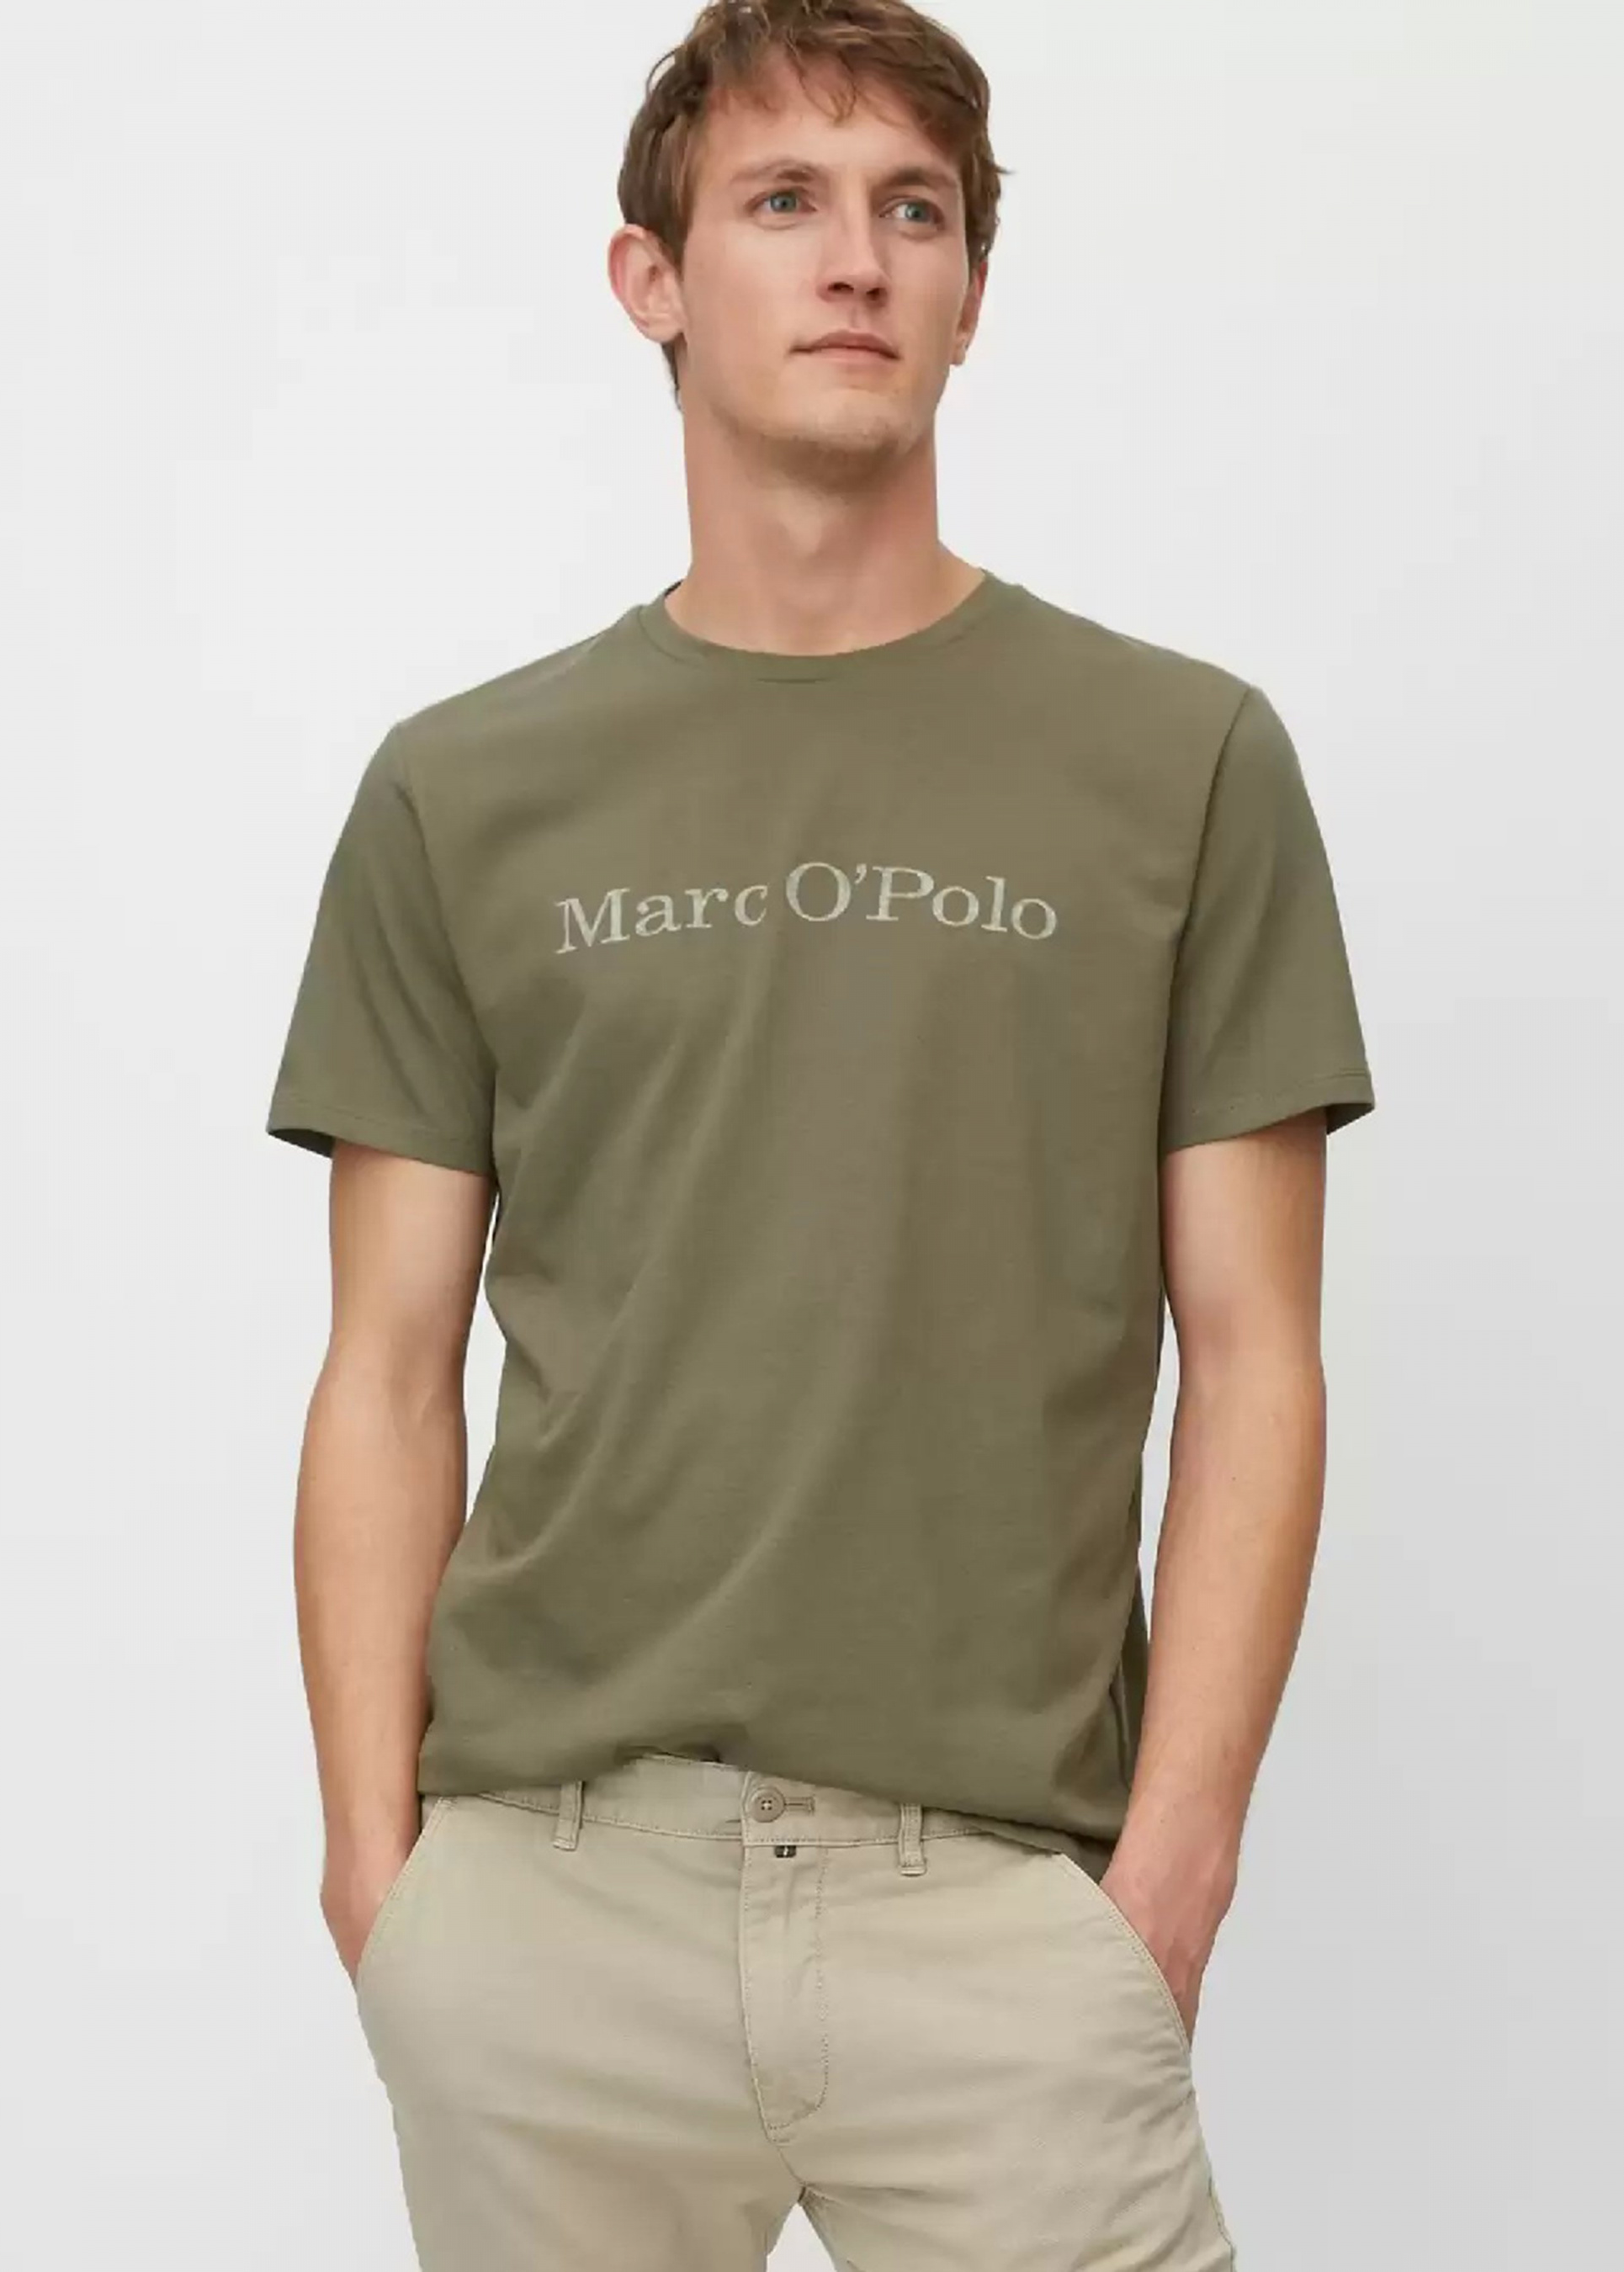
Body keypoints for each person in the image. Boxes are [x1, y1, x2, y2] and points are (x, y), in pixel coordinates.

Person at [263, 3, 1375, 2264]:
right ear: (650, 279)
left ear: (969, 293)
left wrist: (1169, 1877)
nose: (857, 257)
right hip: (553, 1895)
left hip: (1001, 1915)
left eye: (914, 211)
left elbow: (1257, 1355)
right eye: (783, 201)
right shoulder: (463, 792)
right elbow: (386, 1368)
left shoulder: (1181, 764)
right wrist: (384, 1882)